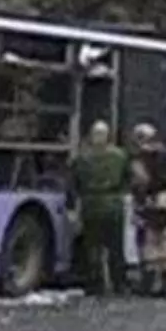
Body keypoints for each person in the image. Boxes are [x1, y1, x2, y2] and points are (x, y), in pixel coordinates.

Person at [70, 120, 133, 295]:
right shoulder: (120, 156)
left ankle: (95, 284)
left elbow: (74, 182)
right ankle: (119, 283)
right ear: (108, 136)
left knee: (93, 247)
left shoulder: (82, 158)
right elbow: (128, 179)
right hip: (113, 206)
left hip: (90, 205)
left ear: (91, 136)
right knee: (116, 247)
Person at [129, 122, 166, 298]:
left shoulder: (140, 159)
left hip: (150, 204)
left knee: (148, 245)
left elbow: (140, 182)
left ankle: (147, 284)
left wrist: (140, 200)